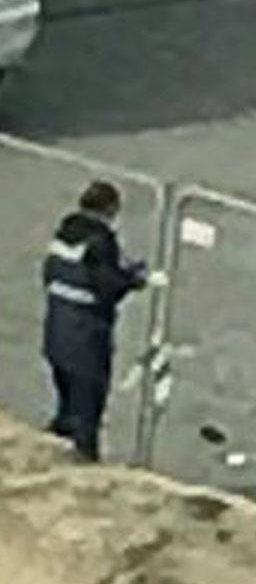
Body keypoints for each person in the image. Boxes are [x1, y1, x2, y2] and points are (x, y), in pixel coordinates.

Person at [42, 180, 149, 462]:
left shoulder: (64, 235)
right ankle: (85, 464)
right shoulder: (100, 241)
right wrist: (134, 280)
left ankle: (51, 453)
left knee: (67, 406)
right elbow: (106, 286)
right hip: (86, 338)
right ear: (110, 208)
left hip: (56, 333)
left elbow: (56, 275)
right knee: (87, 411)